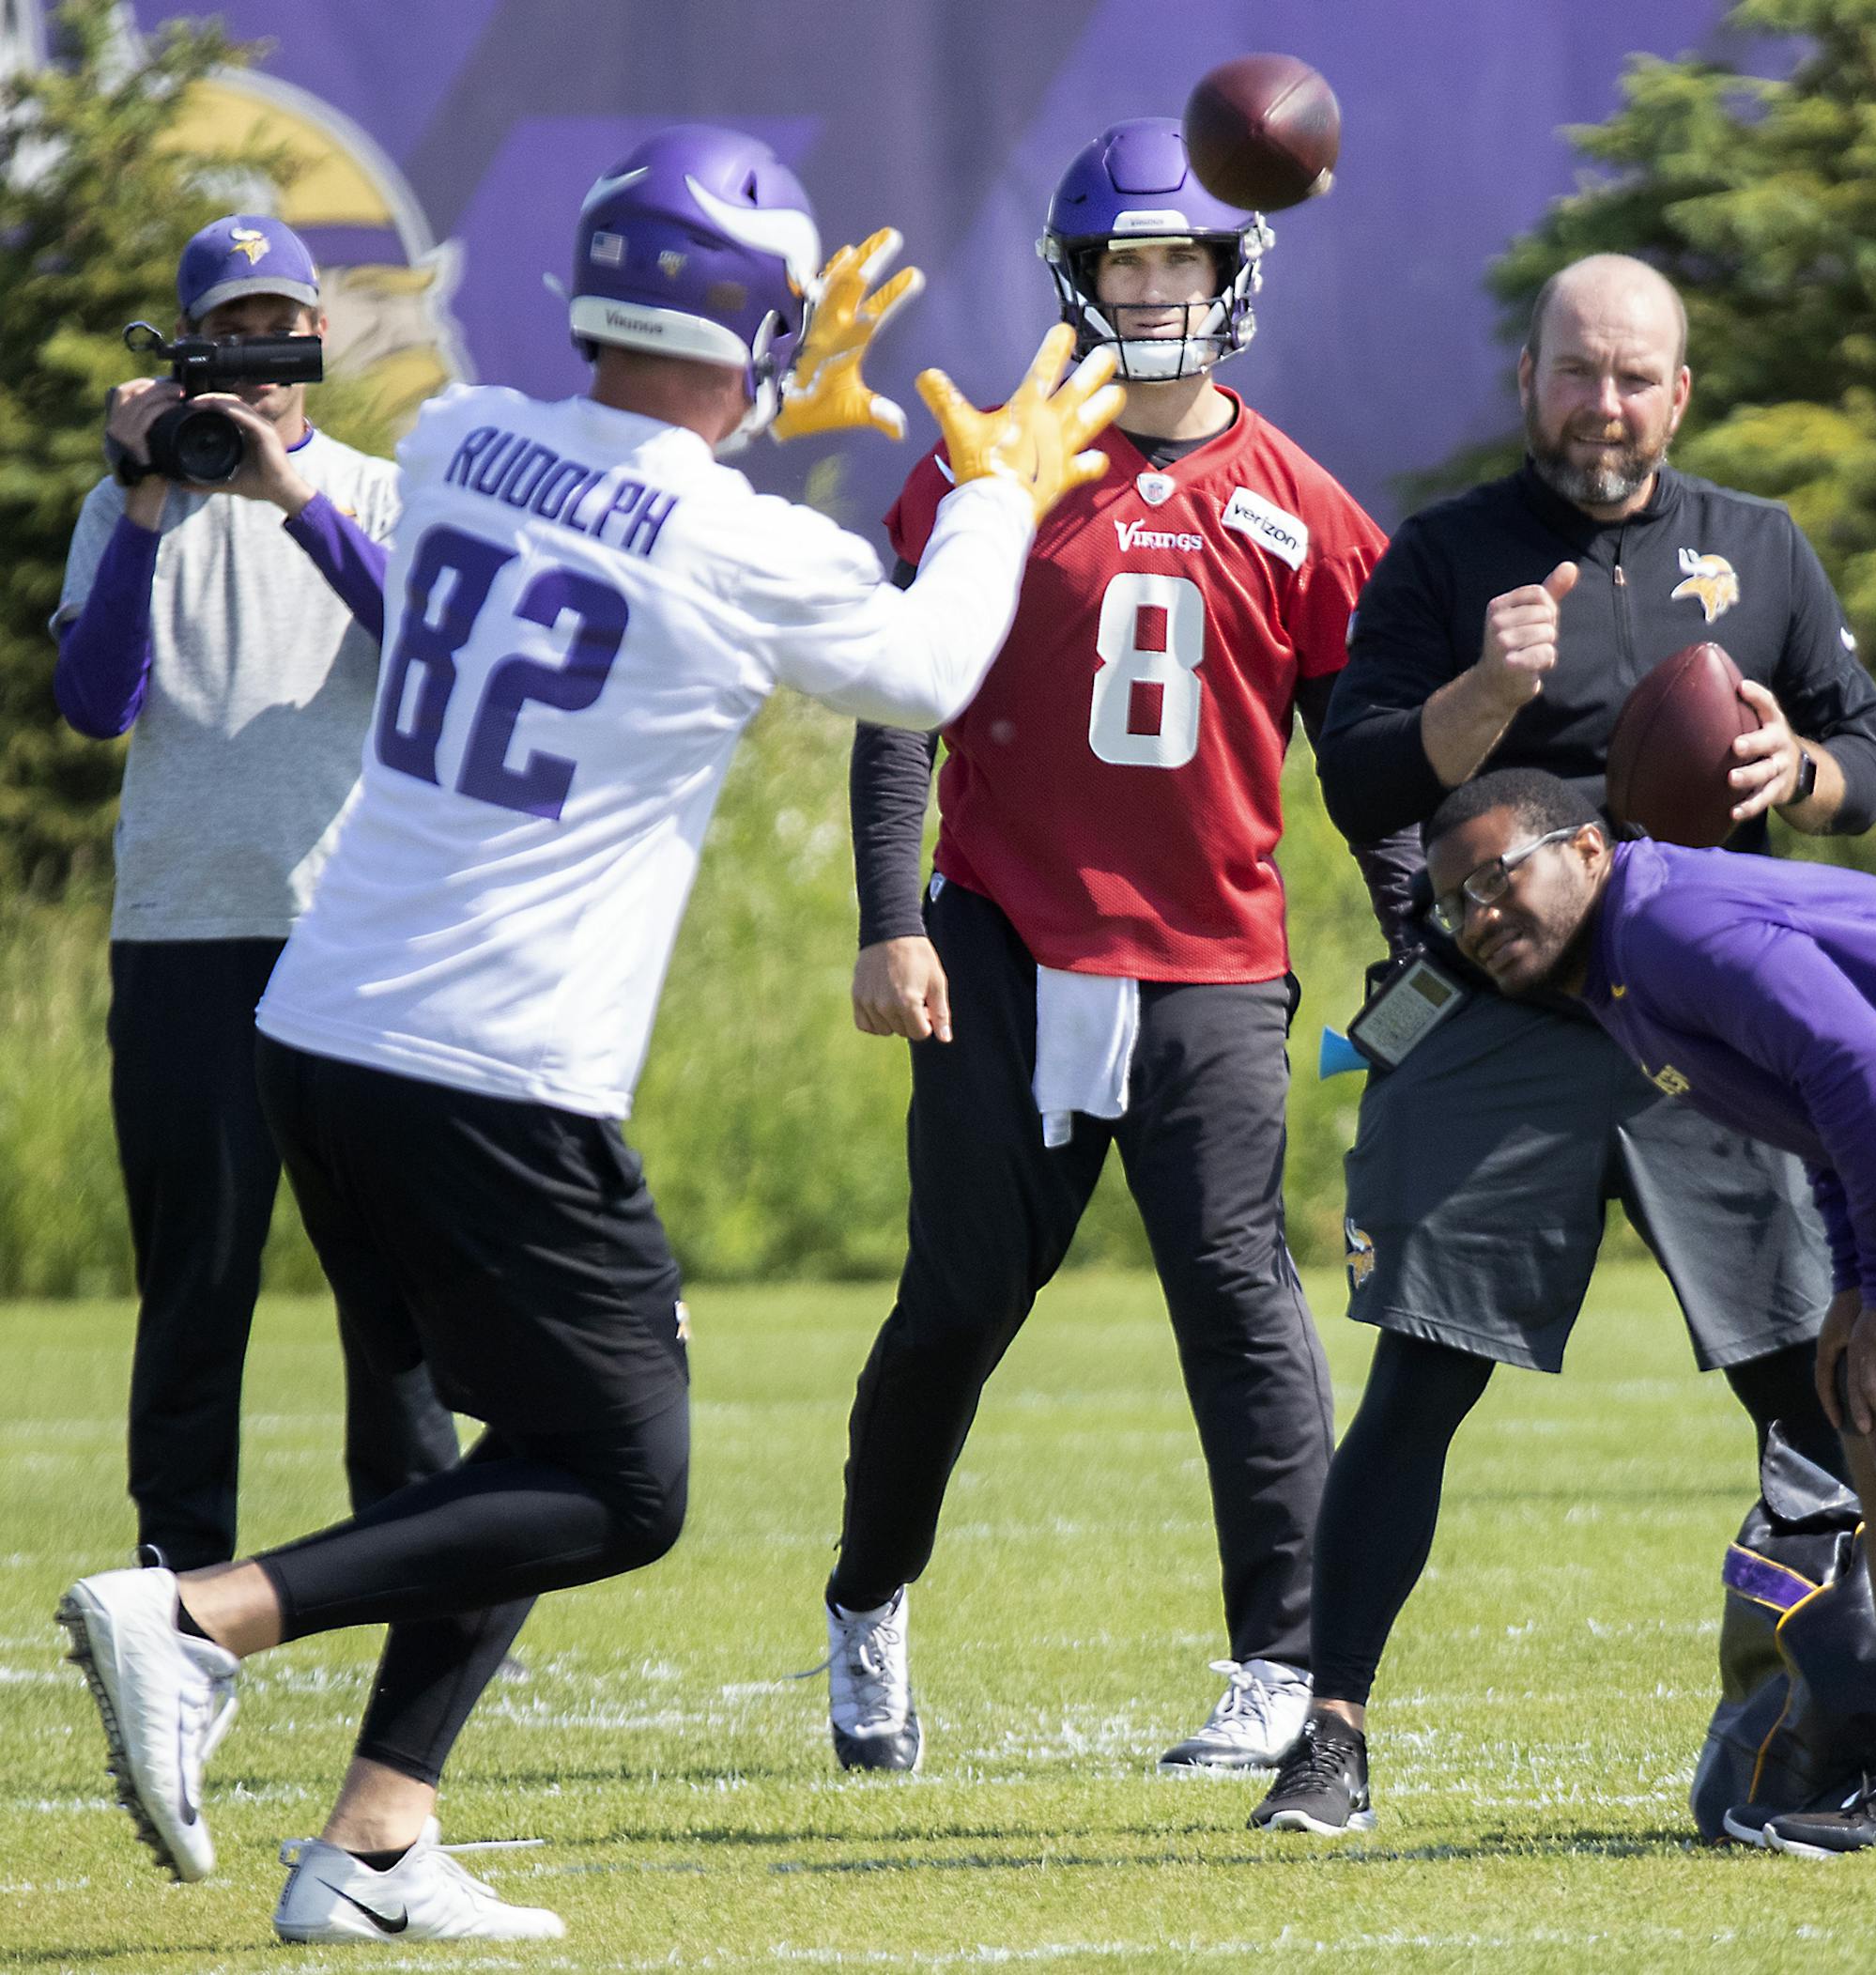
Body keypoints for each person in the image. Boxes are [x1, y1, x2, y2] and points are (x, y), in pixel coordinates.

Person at [54, 124, 1123, 1944]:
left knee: (524, 1449)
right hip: (491, 1063)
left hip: (328, 1024)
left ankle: (375, 1841)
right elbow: (924, 665)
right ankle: (199, 1614)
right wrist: (1001, 483)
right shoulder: (733, 535)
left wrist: (765, 405)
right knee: (622, 1475)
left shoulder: (462, 443)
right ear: (753, 328)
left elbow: (626, 506)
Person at [1250, 253, 1876, 1837]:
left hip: (1710, 1024)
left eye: (1634, 375)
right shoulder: (1451, 554)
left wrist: (1791, 762)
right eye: (1576, 371)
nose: (1604, 403)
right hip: (1499, 1019)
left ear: (1679, 392)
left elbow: (1863, 756)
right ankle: (1328, 1734)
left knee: (1814, 1388)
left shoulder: (1760, 547)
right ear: (1528, 382)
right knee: (1420, 1377)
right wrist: (1486, 686)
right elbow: (1361, 775)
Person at [827, 116, 1394, 1776]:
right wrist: (885, 917)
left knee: (1239, 1295)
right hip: (1002, 942)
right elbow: (898, 707)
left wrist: (1428, 930)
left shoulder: (1301, 507)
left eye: (1180, 258)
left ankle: (1280, 1667)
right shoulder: (996, 468)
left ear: (1231, 272)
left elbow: (1363, 765)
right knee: (952, 1307)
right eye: (1126, 261)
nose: (1153, 289)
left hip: (1213, 960)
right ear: (1080, 278)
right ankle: (869, 1608)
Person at [1420, 764, 1876, 1857]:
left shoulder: (1666, 926)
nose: (1478, 915)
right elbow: (1822, 1110)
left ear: (1590, 849)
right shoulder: (1617, 971)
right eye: (1453, 901)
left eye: (1497, 877)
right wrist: (1856, 1279)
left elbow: (1860, 1064)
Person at [51, 213, 461, 1576]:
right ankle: (177, 1567)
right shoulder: (127, 507)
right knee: (196, 1277)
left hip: (350, 934)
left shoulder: (378, 491)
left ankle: (411, 1556)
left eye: (282, 324)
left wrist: (290, 492)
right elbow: (96, 702)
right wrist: (151, 494)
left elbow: (427, 652)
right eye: (232, 329)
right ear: (187, 349)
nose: (262, 353)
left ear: (322, 339)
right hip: (183, 938)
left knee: (390, 1285)